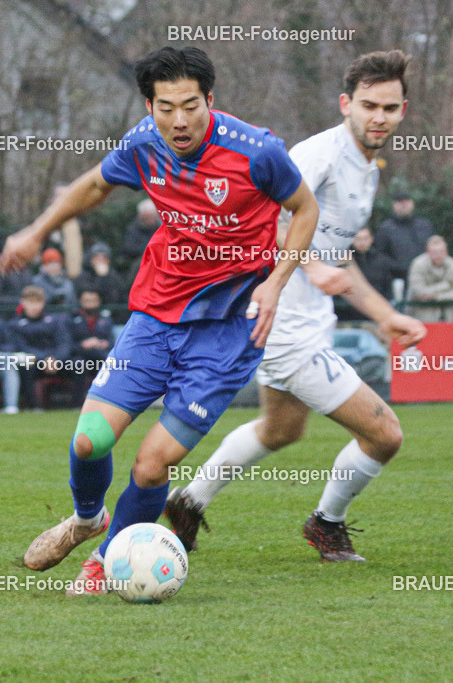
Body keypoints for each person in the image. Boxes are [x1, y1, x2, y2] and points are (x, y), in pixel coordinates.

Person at [0, 46, 318, 595]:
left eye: (190, 105)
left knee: (151, 467)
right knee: (89, 441)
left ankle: (104, 560)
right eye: (165, 107)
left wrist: (276, 281)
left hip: (228, 330)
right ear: (149, 106)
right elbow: (95, 185)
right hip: (156, 313)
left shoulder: (257, 151)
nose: (179, 120)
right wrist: (36, 230)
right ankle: (87, 518)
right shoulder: (145, 143)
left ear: (209, 101)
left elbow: (305, 209)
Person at [168, 50, 427, 563]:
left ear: (402, 110)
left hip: (308, 319)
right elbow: (273, 221)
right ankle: (326, 524)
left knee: (280, 429)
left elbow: (335, 257)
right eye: (369, 105)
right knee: (384, 434)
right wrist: (310, 268)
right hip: (283, 320)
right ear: (345, 104)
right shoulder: (319, 156)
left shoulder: (367, 166)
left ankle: (188, 501)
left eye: (390, 108)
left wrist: (383, 315)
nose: (379, 117)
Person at [6, 285, 71, 412]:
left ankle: (77, 406)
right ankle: (34, 407)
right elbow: (20, 346)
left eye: (37, 302)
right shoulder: (15, 324)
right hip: (34, 361)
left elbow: (64, 343)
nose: (34, 306)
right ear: (23, 303)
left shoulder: (55, 321)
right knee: (26, 366)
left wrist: (55, 359)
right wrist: (43, 358)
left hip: (56, 362)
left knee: (78, 365)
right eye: (30, 302)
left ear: (43, 303)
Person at [376, 192, 434, 297]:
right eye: (399, 202)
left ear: (412, 204)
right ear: (394, 205)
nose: (403, 205)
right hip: (398, 281)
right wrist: (402, 268)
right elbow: (380, 256)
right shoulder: (385, 228)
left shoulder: (425, 225)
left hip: (426, 279)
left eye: (406, 201)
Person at [67, 289, 115, 402]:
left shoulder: (106, 319)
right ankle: (77, 403)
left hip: (100, 354)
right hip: (78, 355)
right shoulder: (71, 319)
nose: (90, 304)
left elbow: (112, 342)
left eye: (93, 300)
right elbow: (67, 345)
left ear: (99, 301)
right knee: (78, 365)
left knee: (110, 363)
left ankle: (108, 401)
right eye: (87, 300)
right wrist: (83, 345)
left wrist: (105, 343)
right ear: (81, 301)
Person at [407, 235, 453, 322]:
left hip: (448, 318)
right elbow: (419, 292)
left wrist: (437, 297)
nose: (438, 255)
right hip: (422, 318)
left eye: (441, 252)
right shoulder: (418, 264)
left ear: (446, 252)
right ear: (427, 253)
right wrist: (445, 286)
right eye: (434, 252)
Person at [121, 198, 161, 277]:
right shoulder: (133, 230)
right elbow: (129, 249)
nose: (151, 220)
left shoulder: (162, 228)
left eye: (153, 217)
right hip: (140, 265)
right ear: (141, 216)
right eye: (147, 217)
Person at [352, 227, 393, 300]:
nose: (362, 243)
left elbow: (387, 287)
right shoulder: (347, 261)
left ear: (371, 239)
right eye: (358, 239)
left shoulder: (382, 261)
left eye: (365, 239)